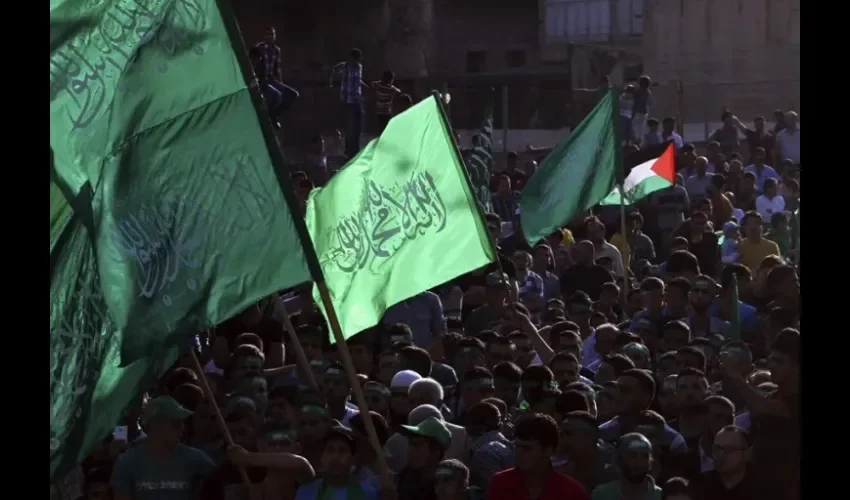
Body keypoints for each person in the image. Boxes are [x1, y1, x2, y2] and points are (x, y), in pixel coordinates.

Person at [110, 396, 216, 500]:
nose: (182, 428)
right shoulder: (127, 462)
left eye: (182, 422)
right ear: (155, 425)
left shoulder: (196, 459)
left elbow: (222, 483)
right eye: (175, 423)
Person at [487, 413, 589, 500]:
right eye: (517, 446)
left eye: (527, 449)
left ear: (548, 451)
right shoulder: (501, 483)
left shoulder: (571, 491)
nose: (518, 453)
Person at [295, 426, 378, 500]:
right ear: (322, 456)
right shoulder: (306, 492)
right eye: (330, 450)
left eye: (342, 451)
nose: (335, 456)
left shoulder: (369, 493)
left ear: (353, 458)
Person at [591, 433, 662, 499]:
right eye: (632, 456)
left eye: (645, 456)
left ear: (651, 462)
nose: (639, 462)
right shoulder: (602, 495)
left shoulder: (661, 496)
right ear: (619, 459)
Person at [254, 27, 300, 128]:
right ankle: (267, 117)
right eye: (267, 34)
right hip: (261, 80)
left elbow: (278, 69)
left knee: (293, 95)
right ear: (264, 36)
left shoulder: (276, 50)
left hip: (271, 80)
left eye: (272, 35)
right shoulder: (259, 48)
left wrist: (281, 83)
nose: (269, 37)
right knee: (276, 95)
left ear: (274, 36)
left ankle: (274, 115)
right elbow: (253, 66)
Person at [330, 48, 370, 159]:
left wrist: (366, 86)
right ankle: (349, 150)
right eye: (356, 58)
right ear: (352, 57)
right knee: (350, 126)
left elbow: (357, 80)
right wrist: (333, 84)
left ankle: (356, 148)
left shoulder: (359, 67)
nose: (358, 60)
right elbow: (333, 71)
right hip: (348, 100)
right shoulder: (344, 66)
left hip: (357, 99)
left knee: (358, 126)